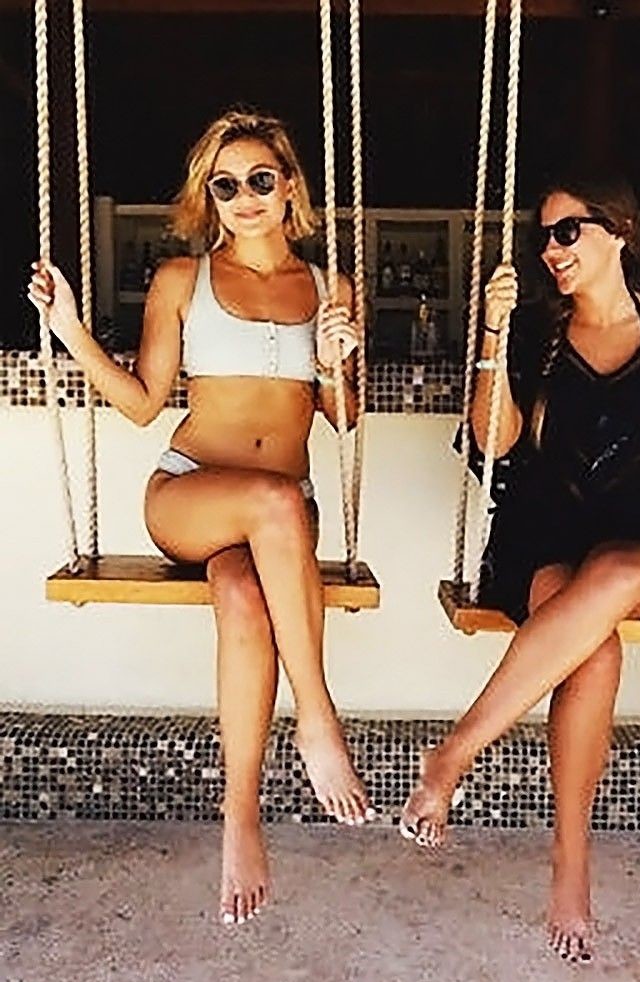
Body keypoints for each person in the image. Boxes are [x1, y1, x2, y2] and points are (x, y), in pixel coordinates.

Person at [400, 173, 640, 964]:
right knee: (594, 648)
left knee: (624, 578)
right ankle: (572, 861)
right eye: (545, 236)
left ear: (619, 233)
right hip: (539, 534)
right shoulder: (536, 329)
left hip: (633, 534)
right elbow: (494, 442)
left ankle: (455, 753)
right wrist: (492, 335)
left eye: (568, 231)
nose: (551, 249)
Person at [28, 109, 375, 927]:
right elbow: (145, 403)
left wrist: (336, 363)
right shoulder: (182, 280)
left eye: (260, 179)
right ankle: (317, 719)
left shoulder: (331, 289)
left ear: (289, 187)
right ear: (208, 197)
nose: (244, 197)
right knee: (273, 499)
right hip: (190, 494)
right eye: (226, 185)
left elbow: (345, 418)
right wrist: (70, 330)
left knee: (246, 596)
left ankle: (240, 818)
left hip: (276, 526)